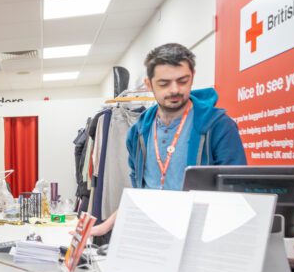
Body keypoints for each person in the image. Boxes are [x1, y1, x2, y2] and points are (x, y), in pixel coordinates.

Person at [92, 43, 246, 236]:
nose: (174, 90)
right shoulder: (138, 133)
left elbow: (236, 196)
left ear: (192, 77)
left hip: (199, 236)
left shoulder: (218, 126)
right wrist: (106, 226)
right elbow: (140, 193)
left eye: (182, 81)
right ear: (149, 85)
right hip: (153, 236)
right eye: (164, 83)